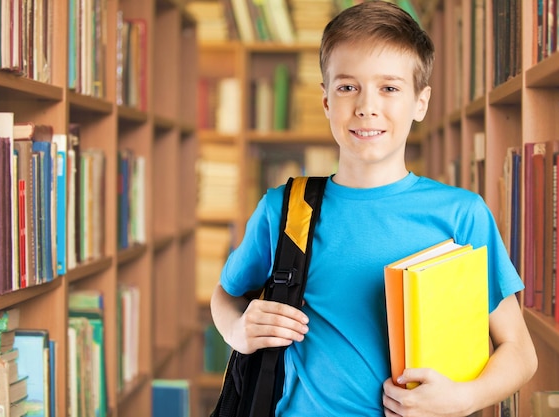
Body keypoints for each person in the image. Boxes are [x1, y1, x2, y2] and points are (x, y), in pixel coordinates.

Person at [210, 1, 538, 416]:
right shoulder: (284, 210)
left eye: (390, 88)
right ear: (326, 101)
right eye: (348, 87)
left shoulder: (462, 215)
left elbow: (520, 351)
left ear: (421, 102)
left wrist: (464, 398)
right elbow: (225, 295)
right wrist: (237, 330)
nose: (367, 106)